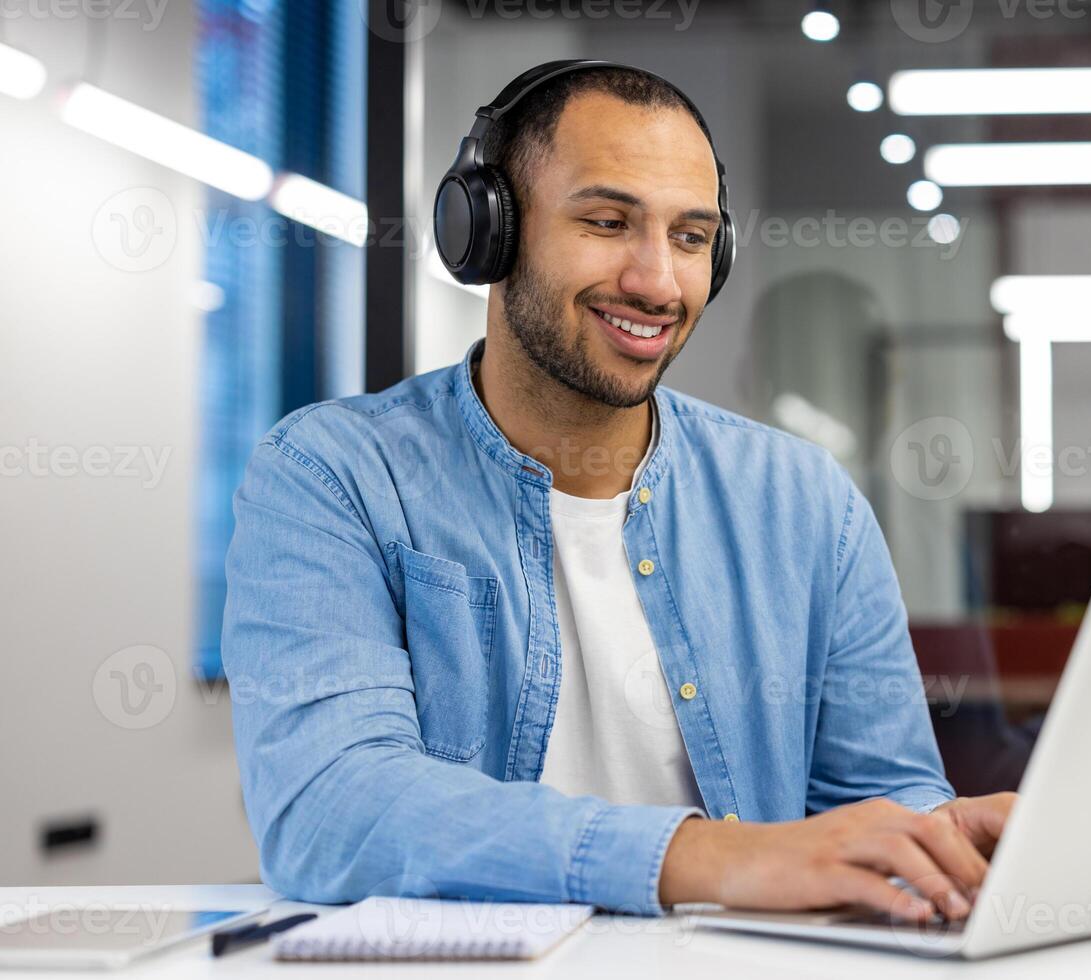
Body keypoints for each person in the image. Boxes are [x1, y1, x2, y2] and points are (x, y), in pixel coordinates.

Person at [222, 61, 1013, 925]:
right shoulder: (334, 475)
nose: (658, 283)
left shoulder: (806, 505)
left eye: (690, 237)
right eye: (607, 222)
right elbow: (330, 810)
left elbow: (876, 799)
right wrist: (707, 856)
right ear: (486, 230)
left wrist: (938, 845)